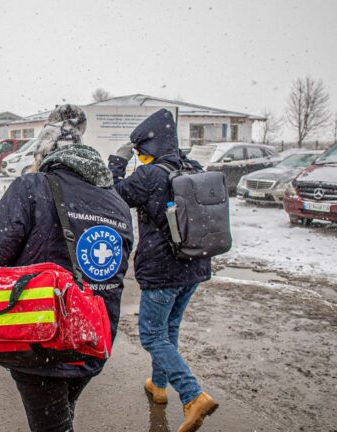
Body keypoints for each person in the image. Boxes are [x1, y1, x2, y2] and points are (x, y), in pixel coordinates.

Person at [0, 105, 134, 432]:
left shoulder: (32, 187)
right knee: (61, 412)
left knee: (52, 424)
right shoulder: (116, 201)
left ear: (45, 154)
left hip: (43, 337)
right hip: (93, 336)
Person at [108, 109, 218, 432]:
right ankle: (158, 386)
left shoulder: (150, 175)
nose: (141, 157)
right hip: (194, 265)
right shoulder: (193, 168)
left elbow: (114, 196)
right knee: (168, 330)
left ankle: (193, 396)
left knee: (152, 334)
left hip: (163, 271)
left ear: (149, 147)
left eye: (141, 151)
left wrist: (117, 162)